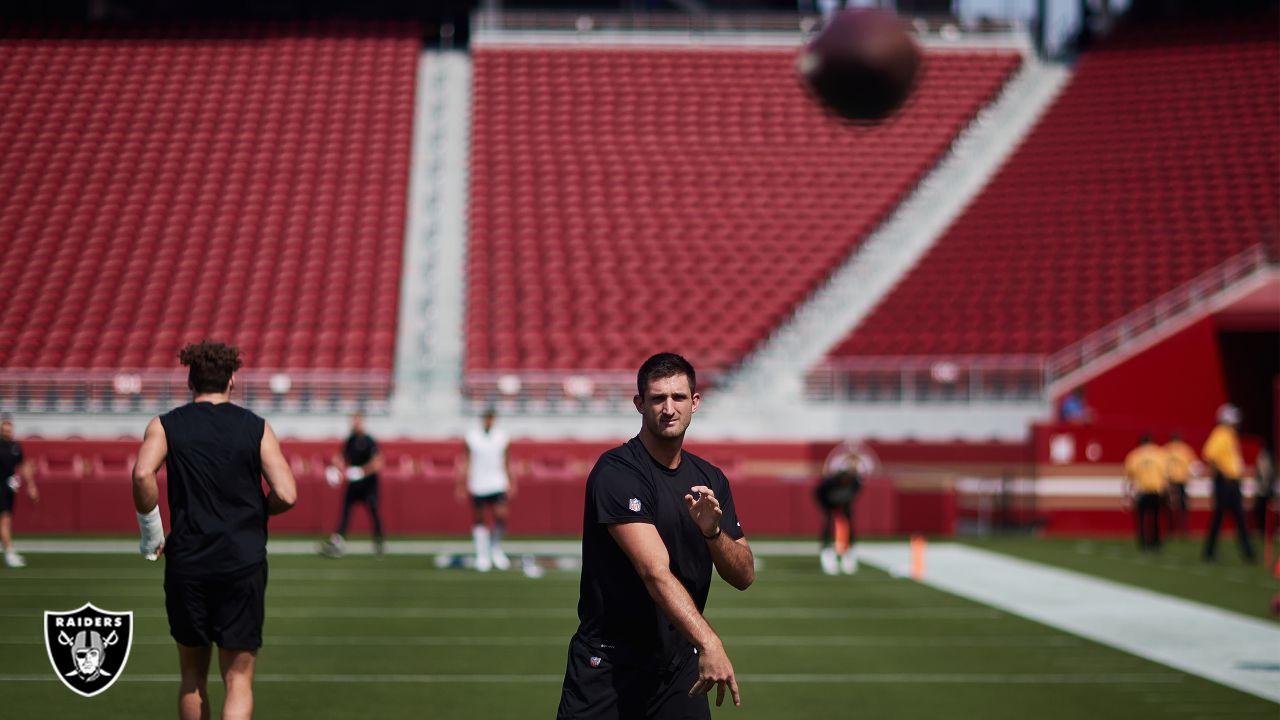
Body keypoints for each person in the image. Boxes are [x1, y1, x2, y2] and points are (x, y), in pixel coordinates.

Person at [557, 353, 754, 720]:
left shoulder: (711, 478)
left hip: (678, 666)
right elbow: (654, 572)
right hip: (609, 666)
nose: (669, 408)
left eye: (679, 397)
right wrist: (709, 641)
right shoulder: (617, 472)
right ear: (639, 404)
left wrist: (713, 533)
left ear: (695, 402)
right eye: (658, 398)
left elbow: (743, 575)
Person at [131, 341, 297, 720]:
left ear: (190, 381)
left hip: (188, 561)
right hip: (242, 560)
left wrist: (151, 533)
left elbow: (143, 473)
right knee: (238, 680)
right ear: (233, 381)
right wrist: (256, 514)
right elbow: (287, 493)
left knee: (192, 676)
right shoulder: (256, 427)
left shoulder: (165, 424)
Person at [320, 413, 386, 558]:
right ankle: (338, 541)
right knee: (345, 511)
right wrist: (334, 466)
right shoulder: (350, 440)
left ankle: (379, 541)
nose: (354, 424)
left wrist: (362, 471)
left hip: (368, 484)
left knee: (374, 512)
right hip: (354, 484)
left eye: (357, 421)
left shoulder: (369, 441)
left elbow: (378, 462)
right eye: (353, 421)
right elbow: (342, 458)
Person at [459, 407, 515, 572]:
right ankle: (482, 554)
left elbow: (507, 460)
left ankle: (495, 548)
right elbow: (466, 461)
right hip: (478, 483)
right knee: (480, 518)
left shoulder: (502, 437)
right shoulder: (472, 437)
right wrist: (462, 483)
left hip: (497, 481)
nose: (489, 420)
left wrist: (511, 480)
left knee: (501, 515)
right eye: (486, 417)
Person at [1201, 403, 1254, 562]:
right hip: (1225, 483)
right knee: (1223, 517)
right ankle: (1211, 551)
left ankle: (1247, 551)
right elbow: (1209, 454)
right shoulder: (1221, 433)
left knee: (1237, 517)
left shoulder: (1230, 434)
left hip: (1232, 483)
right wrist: (1223, 473)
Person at [815, 441, 864, 575]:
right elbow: (819, 493)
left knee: (848, 525)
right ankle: (827, 554)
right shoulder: (829, 483)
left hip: (843, 503)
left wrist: (846, 503)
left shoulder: (855, 482)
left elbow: (854, 493)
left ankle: (848, 554)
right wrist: (825, 507)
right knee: (829, 525)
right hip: (829, 502)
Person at [0, 417, 39, 568]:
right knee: (4, 520)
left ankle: (7, 547)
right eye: (4, 430)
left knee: (7, 518)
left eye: (9, 430)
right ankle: (9, 553)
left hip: (9, 487)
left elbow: (23, 466)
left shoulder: (15, 446)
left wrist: (31, 486)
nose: (6, 433)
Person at [1123, 435, 1168, 551]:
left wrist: (1127, 496)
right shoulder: (1160, 454)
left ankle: (1143, 543)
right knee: (1156, 519)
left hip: (1141, 492)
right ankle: (1155, 542)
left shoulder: (1134, 455)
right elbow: (1165, 474)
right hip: (1156, 491)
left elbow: (1129, 478)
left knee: (1141, 519)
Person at [1163, 432, 1198, 540]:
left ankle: (1171, 530)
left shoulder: (1166, 449)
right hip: (1182, 481)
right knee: (1183, 506)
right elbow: (1194, 466)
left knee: (1170, 506)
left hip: (1170, 481)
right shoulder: (1186, 449)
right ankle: (1183, 530)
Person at [1253, 446, 1275, 539]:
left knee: (1270, 510)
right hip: (1262, 489)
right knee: (1262, 510)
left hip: (1268, 489)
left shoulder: (1270, 458)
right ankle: (1263, 529)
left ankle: (1270, 530)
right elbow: (1259, 473)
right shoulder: (1261, 458)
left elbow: (1271, 474)